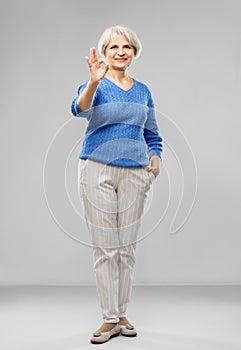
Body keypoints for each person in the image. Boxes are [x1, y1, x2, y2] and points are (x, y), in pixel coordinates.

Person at [71, 25, 163, 344]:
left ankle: (122, 313)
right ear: (105, 53)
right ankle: (108, 318)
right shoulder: (96, 84)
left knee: (126, 248)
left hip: (135, 173)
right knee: (106, 247)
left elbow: (152, 132)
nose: (121, 52)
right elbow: (78, 109)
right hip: (97, 169)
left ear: (134, 52)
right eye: (114, 47)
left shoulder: (143, 90)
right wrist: (94, 82)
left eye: (127, 47)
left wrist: (156, 156)